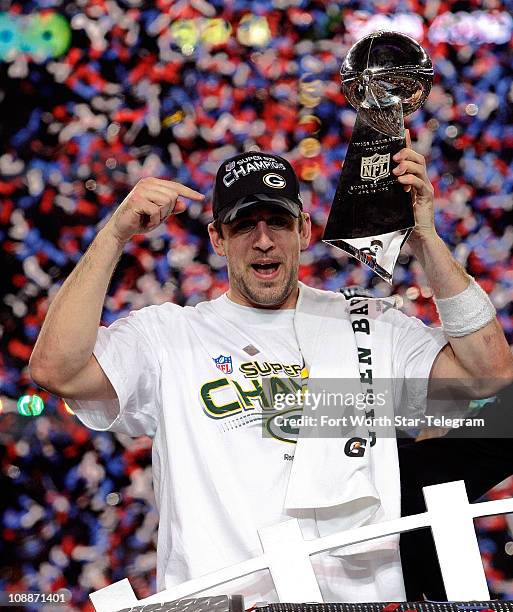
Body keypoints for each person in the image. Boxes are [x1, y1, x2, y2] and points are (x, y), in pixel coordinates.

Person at [29, 146, 513, 604]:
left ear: (304, 230)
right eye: (244, 226)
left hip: (360, 603)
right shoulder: (168, 336)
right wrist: (114, 234)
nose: (263, 240)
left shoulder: (369, 323)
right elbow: (56, 370)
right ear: (217, 238)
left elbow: (489, 377)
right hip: (227, 604)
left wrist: (424, 238)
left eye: (278, 222)